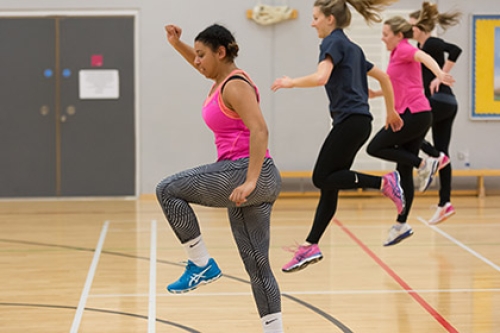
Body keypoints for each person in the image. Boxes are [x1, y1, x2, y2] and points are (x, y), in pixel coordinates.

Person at [157, 24, 284, 333]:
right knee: (257, 267)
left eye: (202, 55)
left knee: (167, 190)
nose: (197, 61)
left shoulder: (234, 85)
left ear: (221, 52)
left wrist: (251, 180)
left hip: (246, 172)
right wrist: (178, 45)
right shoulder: (220, 80)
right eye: (195, 55)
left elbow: (260, 130)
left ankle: (200, 263)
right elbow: (203, 66)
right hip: (251, 177)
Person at [271, 0, 405, 273]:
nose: (312, 23)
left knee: (321, 177)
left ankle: (385, 181)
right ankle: (311, 245)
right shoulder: (352, 48)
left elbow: (322, 77)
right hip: (358, 122)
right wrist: (390, 111)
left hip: (350, 123)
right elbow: (383, 78)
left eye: (315, 17)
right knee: (330, 184)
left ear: (330, 19)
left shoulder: (332, 43)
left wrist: (290, 82)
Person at [366, 16, 455, 246]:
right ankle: (401, 224)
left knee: (375, 147)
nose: (382, 38)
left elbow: (423, 56)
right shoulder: (396, 55)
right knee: (402, 171)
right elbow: (399, 84)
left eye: (386, 34)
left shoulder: (405, 48)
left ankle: (425, 163)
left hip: (414, 114)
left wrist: (438, 73)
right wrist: (376, 94)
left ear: (398, 36)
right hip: (414, 113)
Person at [409, 2, 462, 225]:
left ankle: (434, 156)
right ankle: (445, 204)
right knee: (444, 153)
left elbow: (456, 50)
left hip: (438, 100)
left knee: (408, 131)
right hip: (448, 102)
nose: (409, 31)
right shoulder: (423, 48)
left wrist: (439, 75)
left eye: (411, 27)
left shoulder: (430, 43)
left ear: (419, 28)